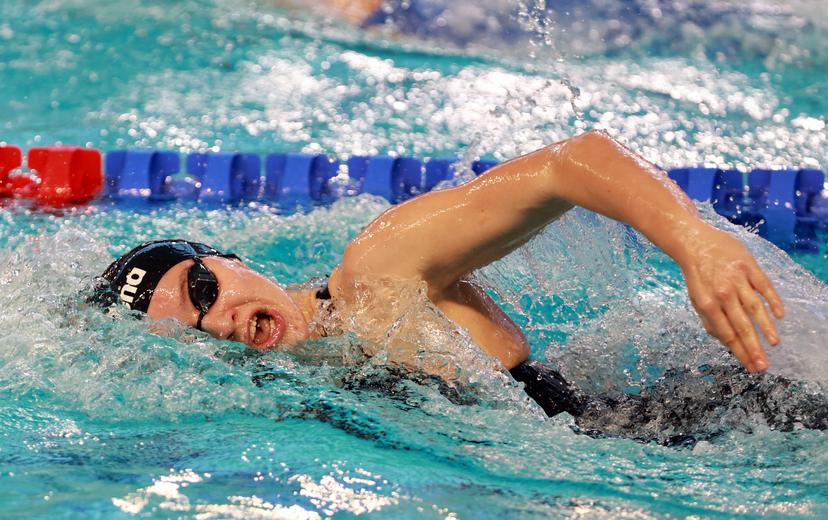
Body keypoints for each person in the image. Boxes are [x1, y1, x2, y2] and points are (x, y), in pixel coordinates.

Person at [95, 131, 787, 424]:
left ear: (230, 259)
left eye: (203, 289)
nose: (218, 321)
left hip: (719, 426)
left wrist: (695, 241)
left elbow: (568, 163)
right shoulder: (304, 377)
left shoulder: (375, 274)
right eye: (193, 334)